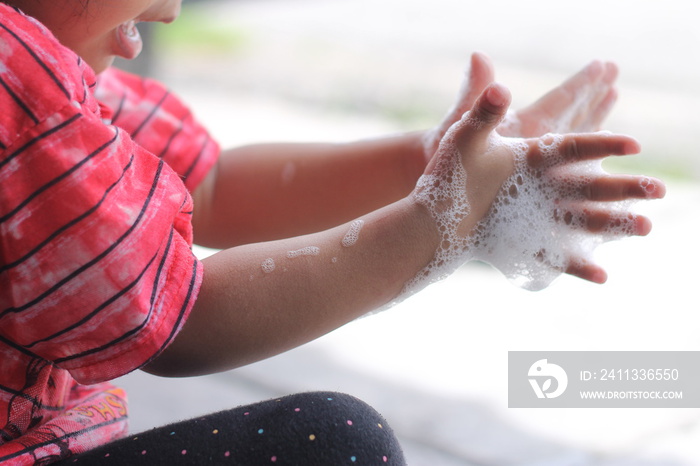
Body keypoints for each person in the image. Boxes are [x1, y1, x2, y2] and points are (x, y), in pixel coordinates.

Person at [0, 0, 665, 464]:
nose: (168, 11)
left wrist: (431, 164)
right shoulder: (17, 85)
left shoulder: (43, 69)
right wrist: (435, 226)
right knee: (335, 442)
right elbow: (185, 319)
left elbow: (213, 185)